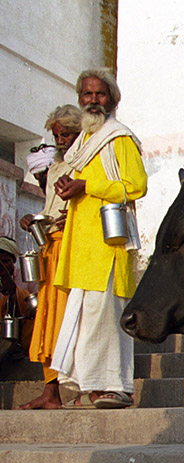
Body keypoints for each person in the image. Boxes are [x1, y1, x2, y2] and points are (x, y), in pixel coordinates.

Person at [50, 68, 147, 409]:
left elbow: (136, 186)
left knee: (104, 319)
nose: (93, 100)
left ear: (112, 100)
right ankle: (93, 388)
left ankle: (116, 387)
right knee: (85, 322)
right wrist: (69, 188)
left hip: (108, 247)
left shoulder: (117, 138)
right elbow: (81, 188)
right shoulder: (82, 144)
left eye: (100, 94)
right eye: (87, 94)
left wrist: (87, 186)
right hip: (82, 250)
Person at [18, 105, 83, 409]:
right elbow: (52, 210)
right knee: (48, 323)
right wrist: (35, 219)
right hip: (52, 252)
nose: (60, 140)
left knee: (79, 322)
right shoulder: (56, 169)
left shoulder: (89, 164)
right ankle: (51, 392)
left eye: (65, 134)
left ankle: (90, 389)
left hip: (78, 251)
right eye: (56, 135)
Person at [0, 237, 34, 365]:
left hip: (23, 327)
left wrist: (13, 293)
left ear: (13, 261)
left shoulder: (25, 276)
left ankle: (14, 345)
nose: (2, 266)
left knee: (19, 295)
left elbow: (38, 299)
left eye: (5, 261)